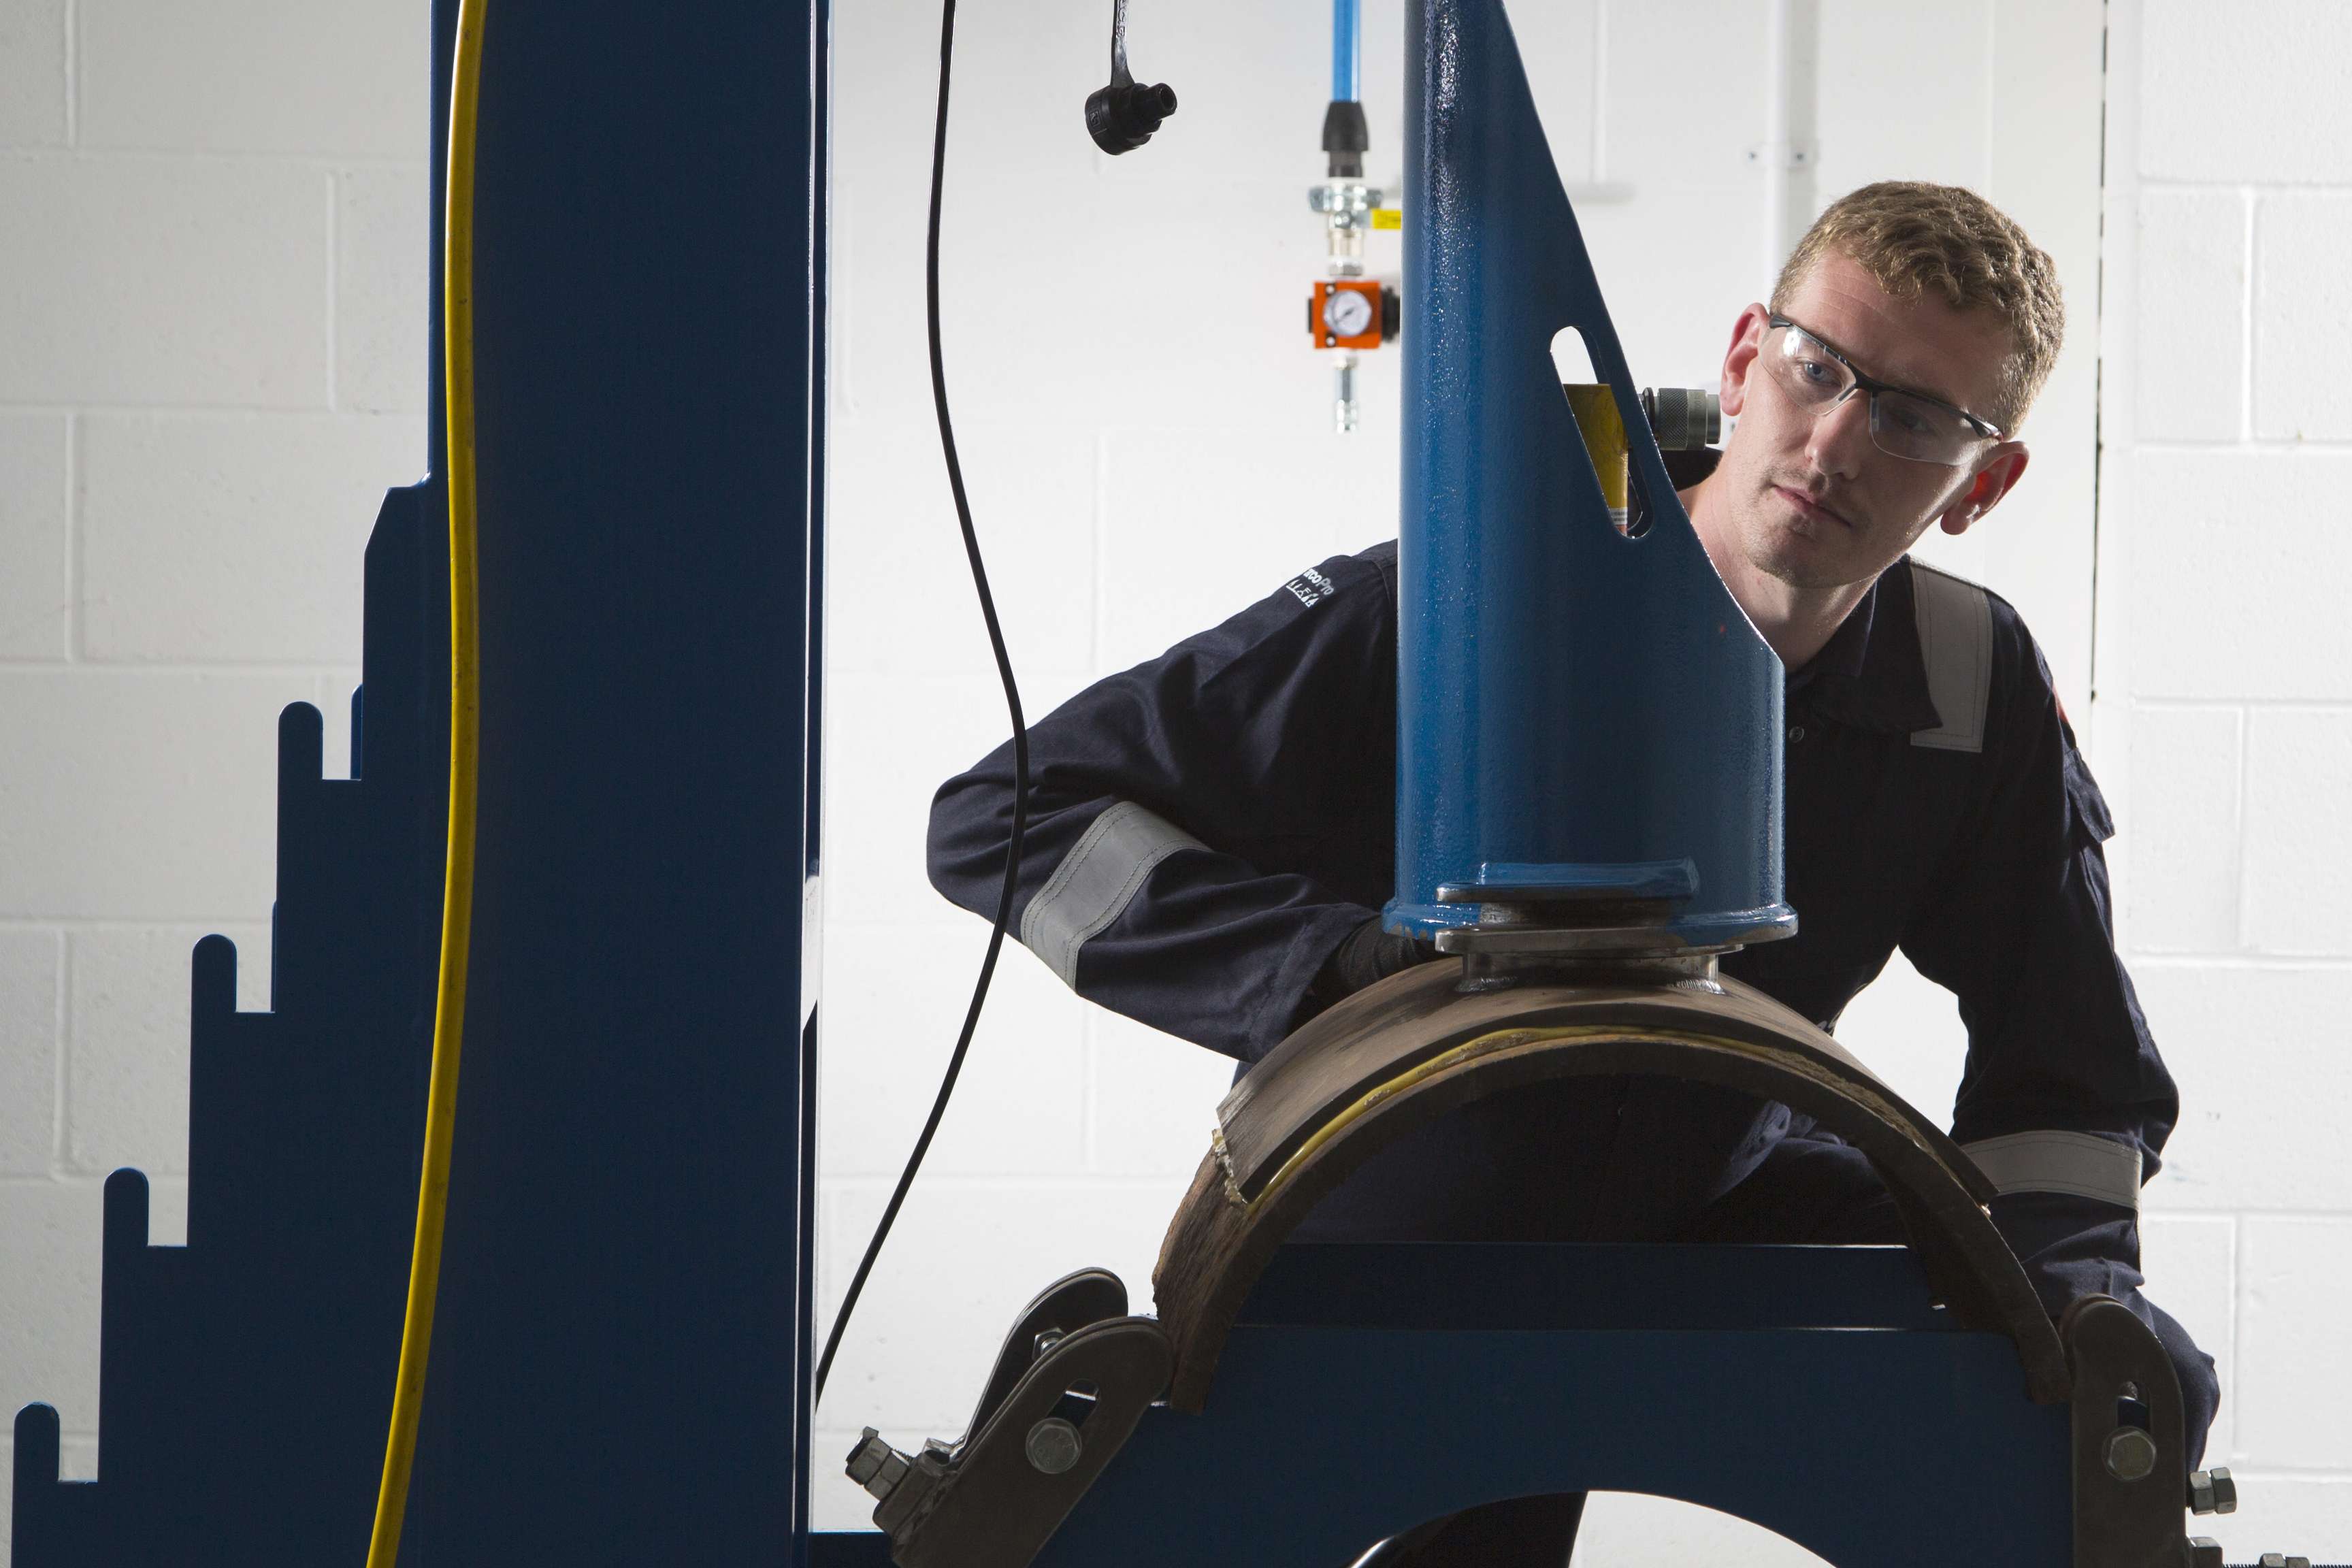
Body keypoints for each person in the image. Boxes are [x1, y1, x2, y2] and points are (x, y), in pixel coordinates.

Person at [927, 182, 2217, 1565]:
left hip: (1723, 1188)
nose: (1837, 438)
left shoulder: (1969, 684)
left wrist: (2077, 1321)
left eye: (1912, 418)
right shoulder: (1474, 606)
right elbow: (1007, 815)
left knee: (2129, 1409)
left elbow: (2070, 1078)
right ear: (1742, 363)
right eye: (1817, 371)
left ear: (1986, 481)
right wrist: (1335, 970)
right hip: (1410, 1210)